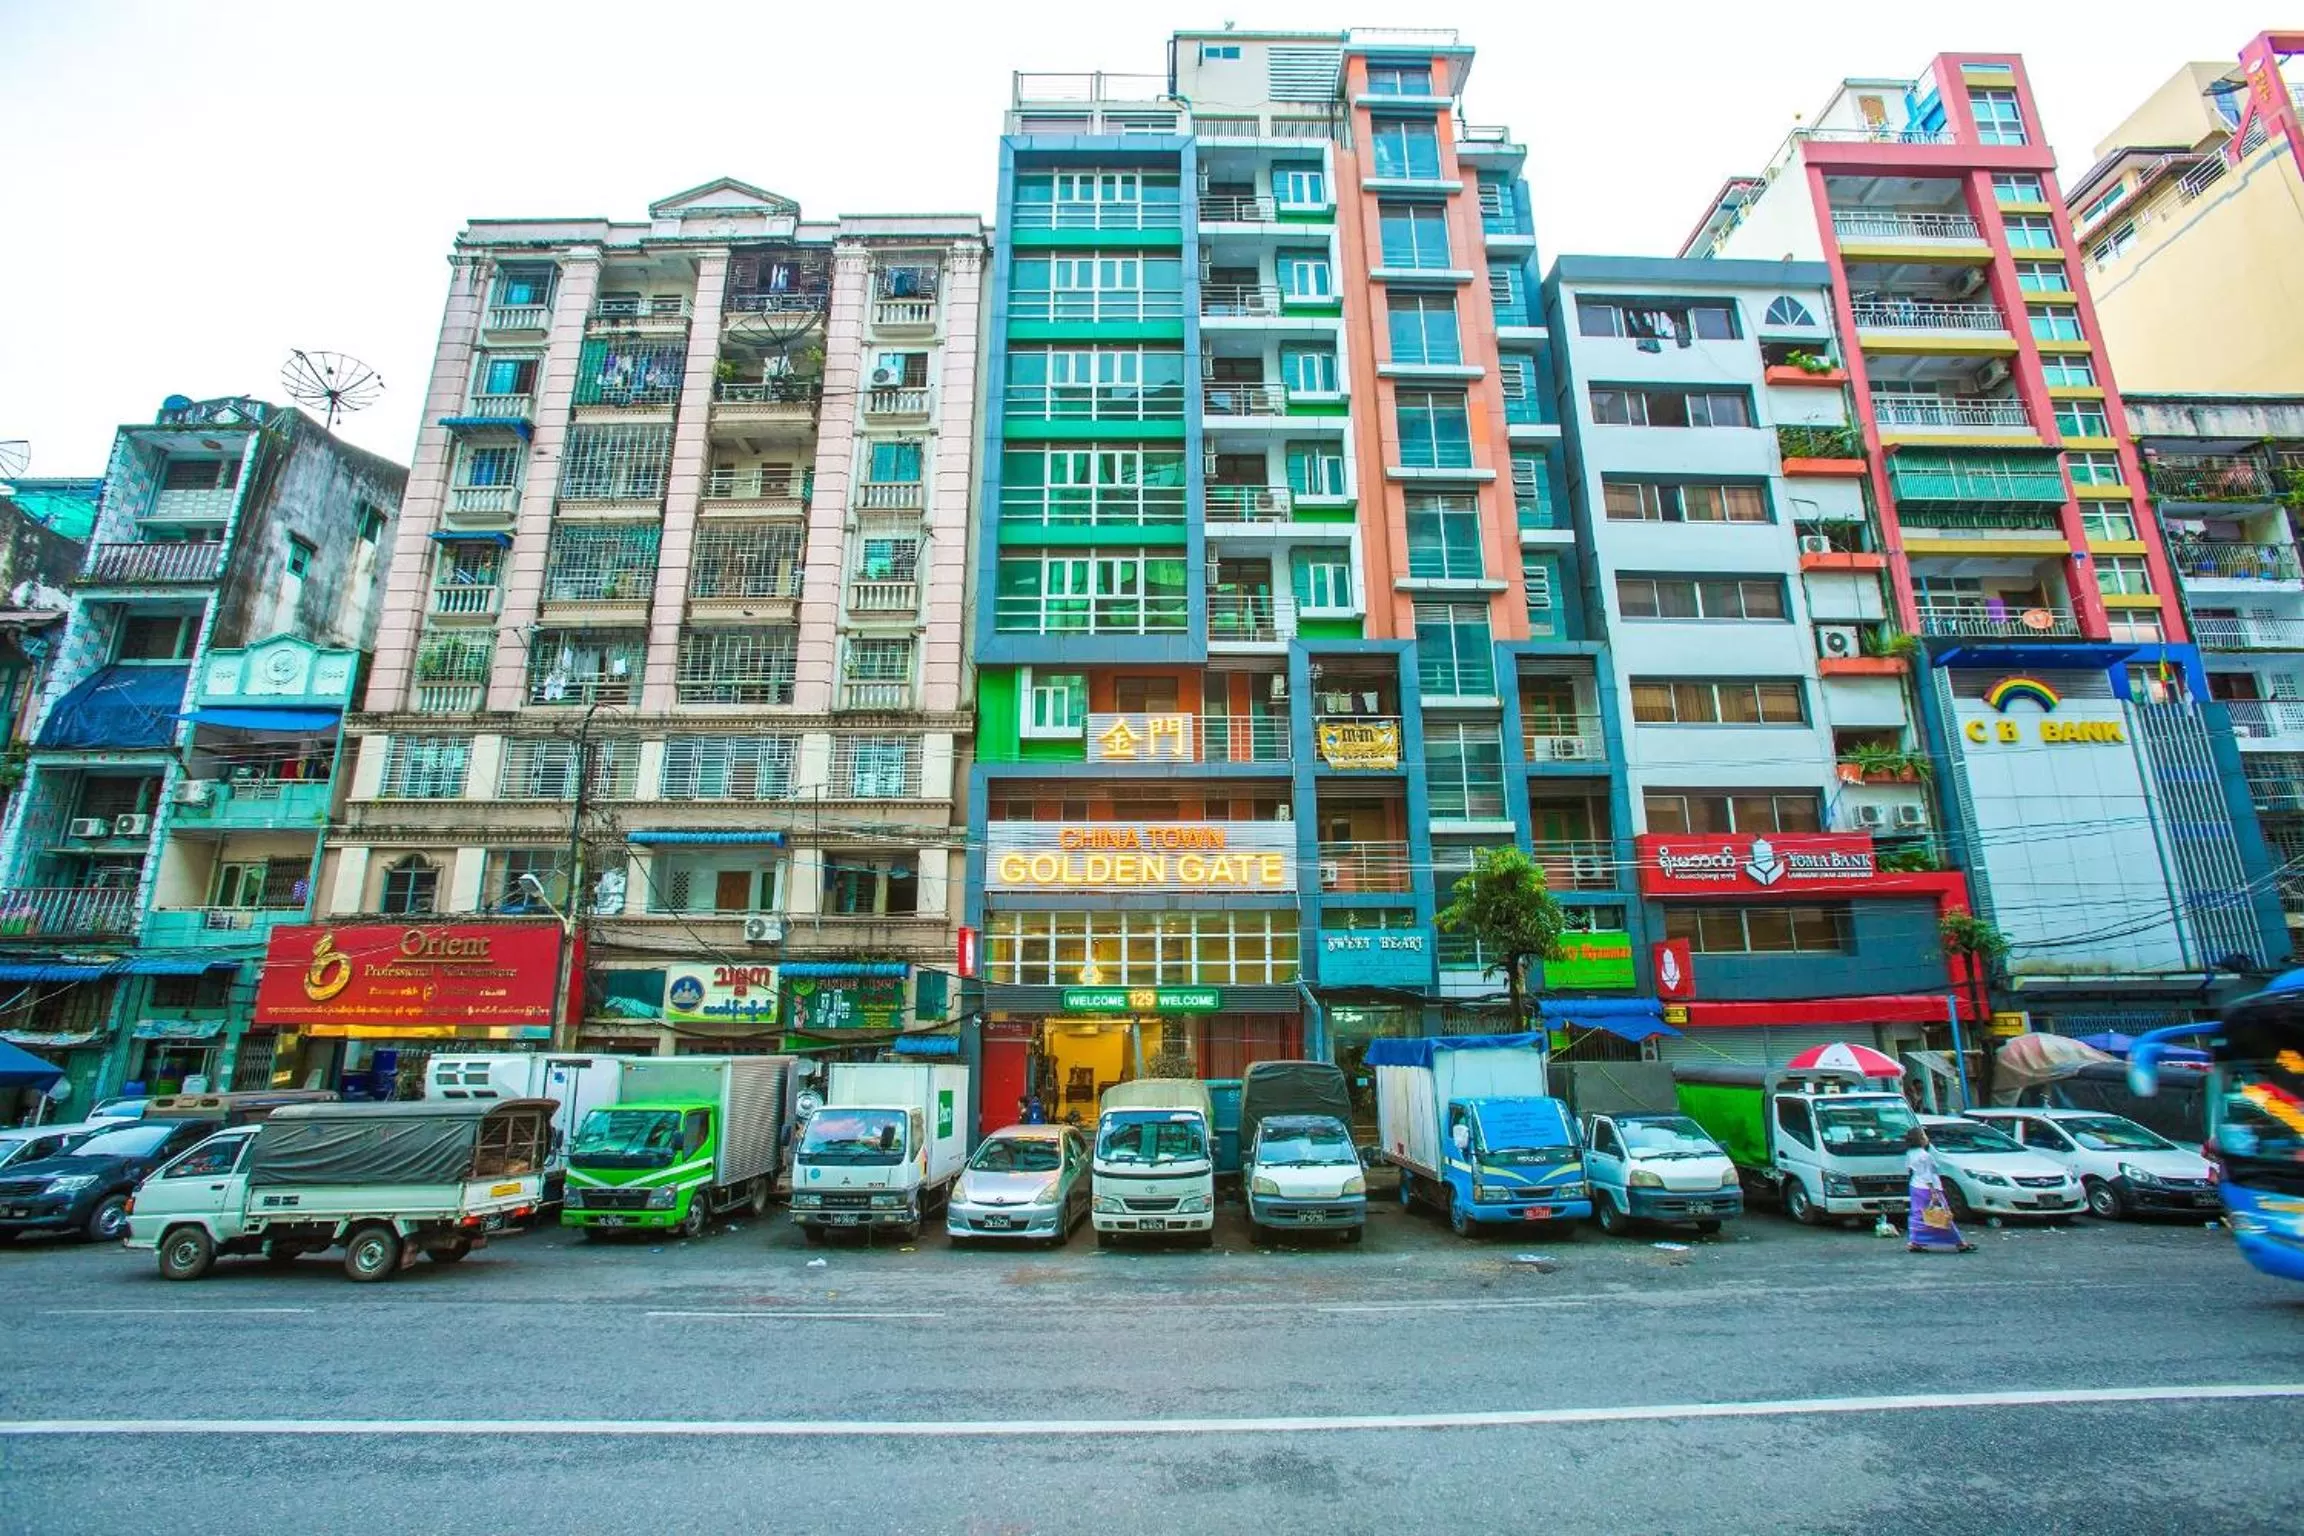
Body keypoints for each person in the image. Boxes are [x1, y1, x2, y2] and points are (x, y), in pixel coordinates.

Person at [1906, 1126, 1974, 1254]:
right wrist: (1933, 1192)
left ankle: (1915, 1241)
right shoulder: (1925, 1156)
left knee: (1919, 1215)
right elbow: (1927, 1175)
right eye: (1924, 1135)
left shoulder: (1910, 1153)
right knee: (1942, 1215)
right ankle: (1959, 1243)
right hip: (1928, 1188)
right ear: (1921, 1139)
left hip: (1915, 1186)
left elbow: (1910, 1169)